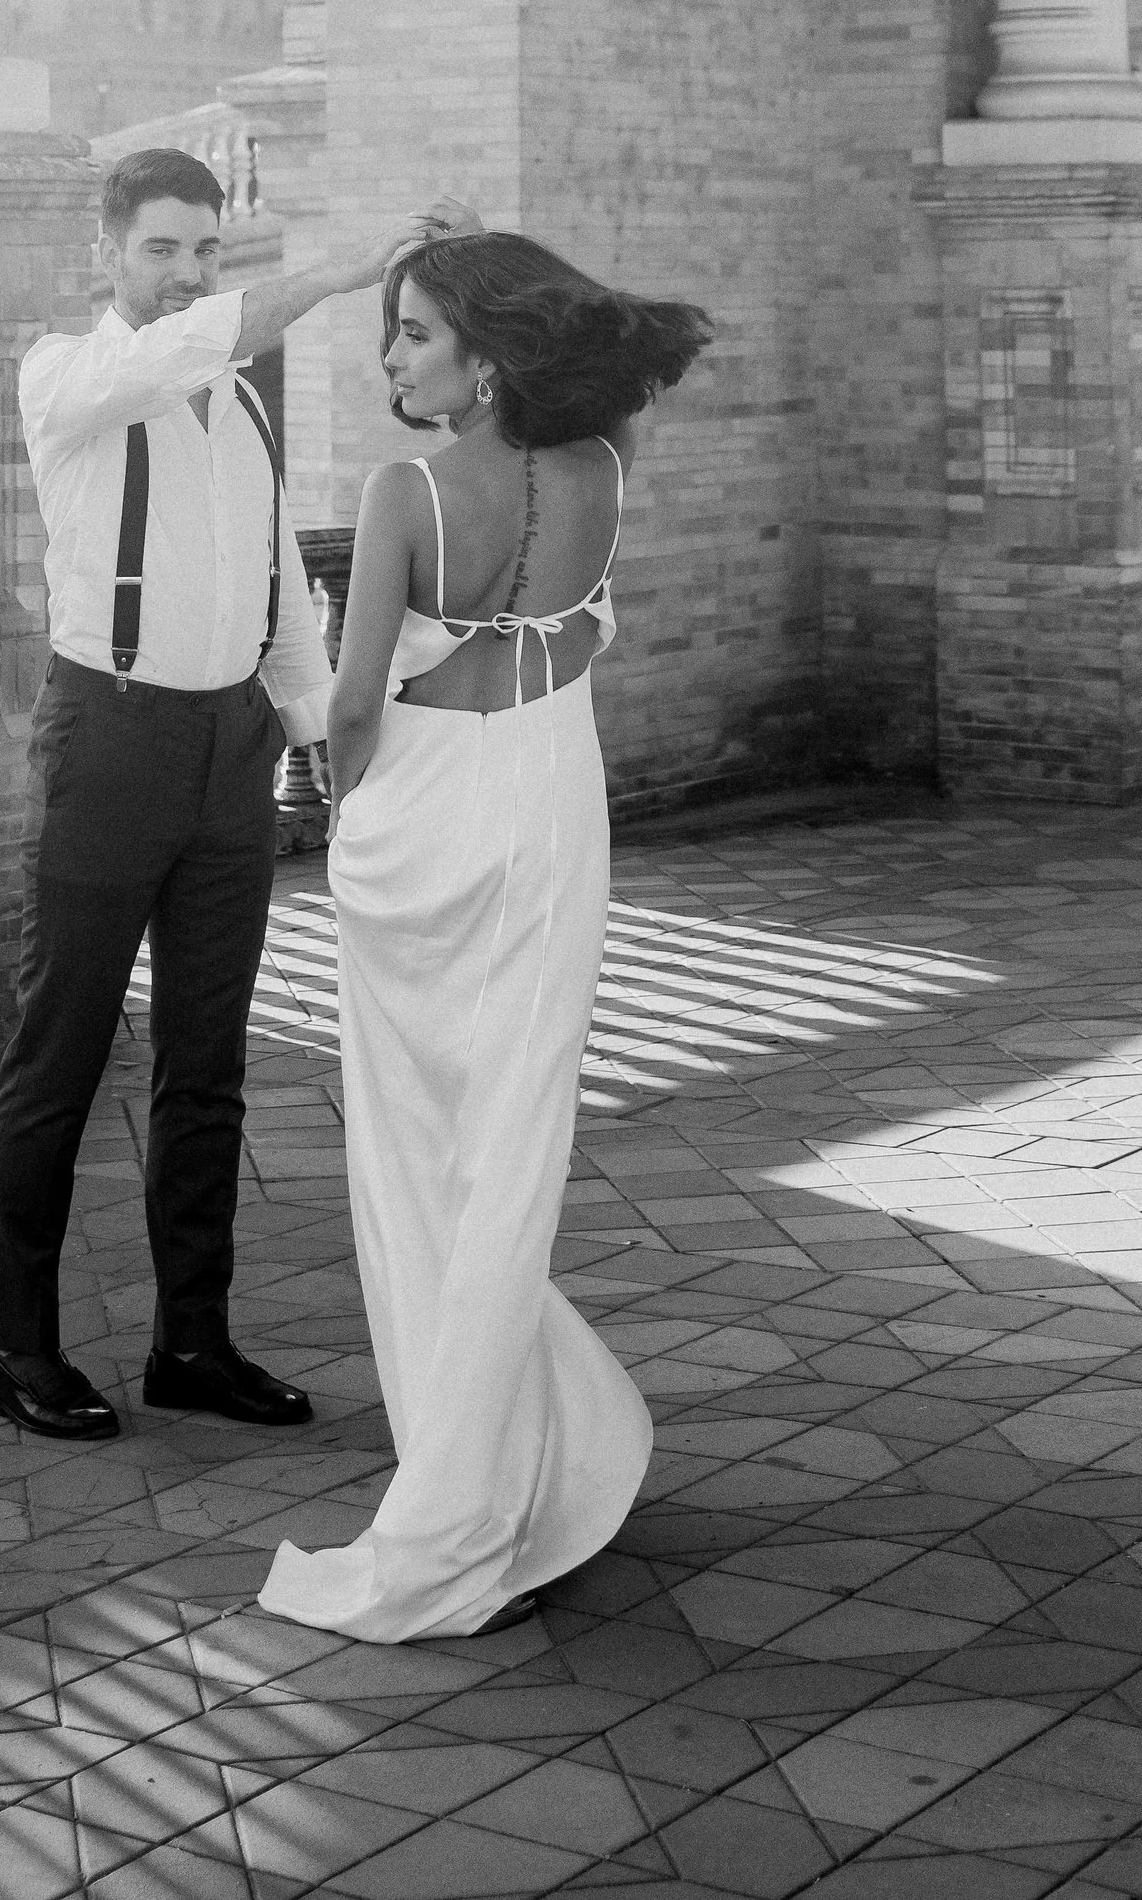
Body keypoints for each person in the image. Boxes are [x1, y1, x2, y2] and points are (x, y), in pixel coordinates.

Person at [260, 229, 711, 1642]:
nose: (389, 357)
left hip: (428, 812)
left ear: (486, 353)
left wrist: (337, 794)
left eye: (412, 332)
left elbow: (344, 702)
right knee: (514, 1139)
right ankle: (515, 1452)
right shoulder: (603, 469)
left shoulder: (404, 489)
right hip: (551, 800)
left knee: (418, 1152)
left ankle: (456, 1499)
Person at [0, 147, 464, 1444]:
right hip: (110, 744)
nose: (187, 272)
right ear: (109, 252)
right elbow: (194, 340)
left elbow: (279, 601)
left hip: (232, 752)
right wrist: (353, 269)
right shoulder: (69, 380)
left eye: (205, 249)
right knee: (60, 1057)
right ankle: (17, 1346)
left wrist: (331, 749)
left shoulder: (242, 411)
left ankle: (192, 1339)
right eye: (162, 248)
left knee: (209, 1068)